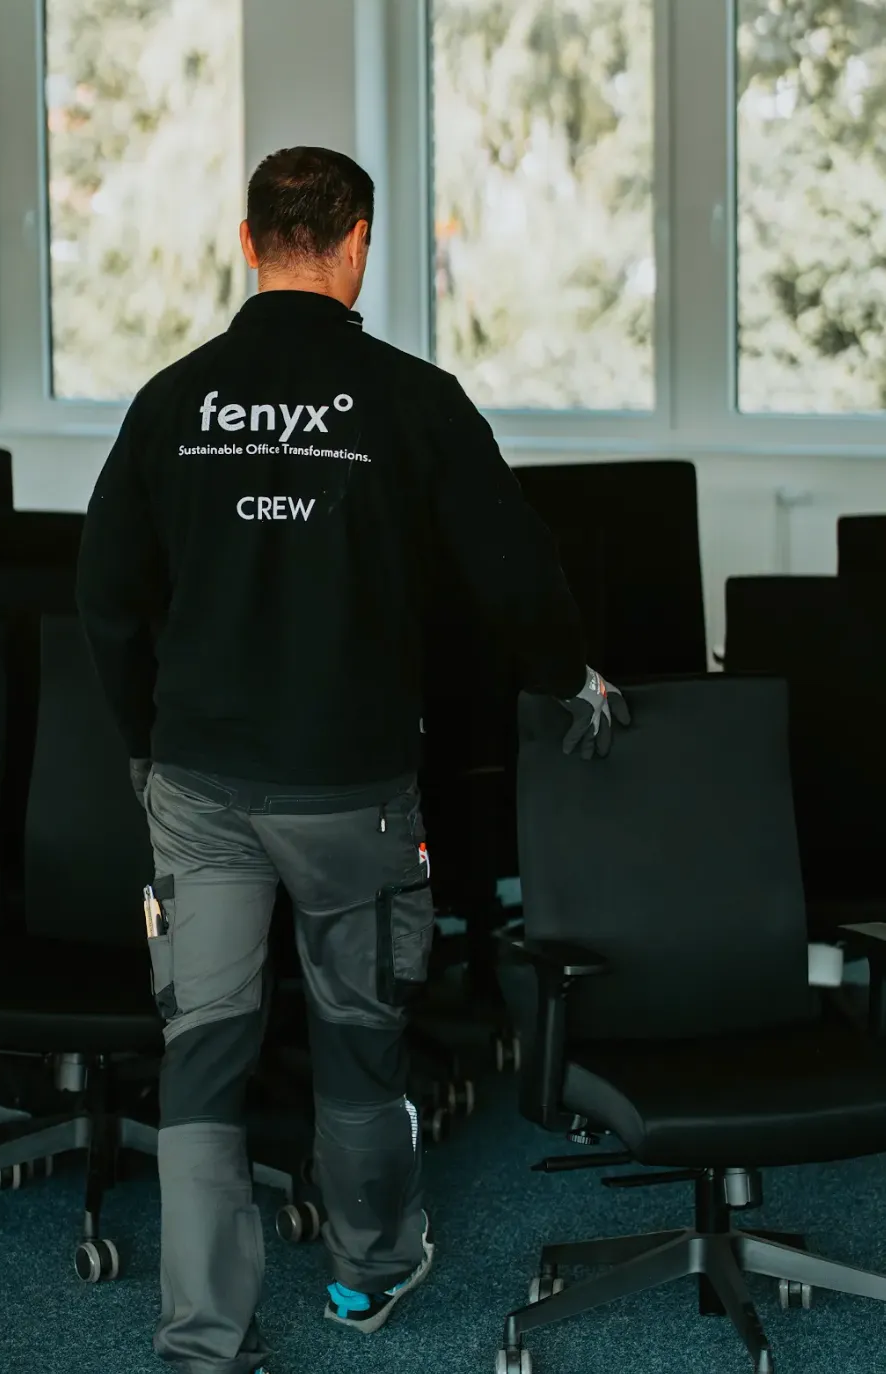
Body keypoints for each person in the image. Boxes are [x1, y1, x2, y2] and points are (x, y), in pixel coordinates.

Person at [75, 145, 629, 1374]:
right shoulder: (411, 398)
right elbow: (513, 569)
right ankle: (370, 1272)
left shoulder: (175, 401)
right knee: (357, 1034)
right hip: (352, 795)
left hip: (200, 789)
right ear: (359, 240)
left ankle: (203, 1337)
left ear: (247, 239)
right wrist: (565, 671)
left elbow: (105, 599)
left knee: (205, 1051)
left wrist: (142, 752)